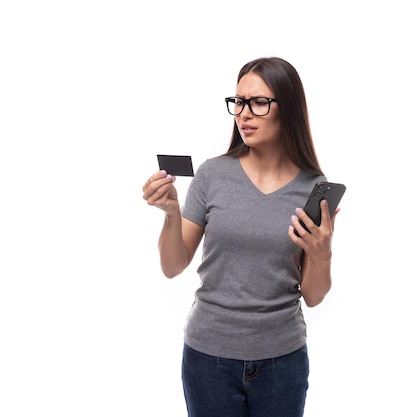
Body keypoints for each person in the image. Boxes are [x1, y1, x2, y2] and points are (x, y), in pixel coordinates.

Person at [142, 56, 340, 417]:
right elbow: (173, 266)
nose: (244, 113)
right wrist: (171, 214)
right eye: (239, 102)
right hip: (208, 359)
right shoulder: (212, 175)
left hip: (283, 362)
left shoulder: (314, 188)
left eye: (259, 102)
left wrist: (323, 253)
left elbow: (313, 296)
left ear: (288, 108)